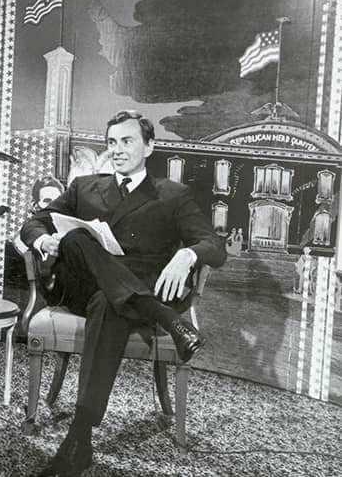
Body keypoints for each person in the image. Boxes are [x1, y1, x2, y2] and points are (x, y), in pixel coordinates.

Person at [20, 110, 227, 476]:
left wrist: (188, 254)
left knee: (109, 303)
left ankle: (78, 439)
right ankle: (165, 317)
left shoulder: (172, 195)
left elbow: (215, 246)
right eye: (112, 142)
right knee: (77, 237)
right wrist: (44, 240)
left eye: (127, 141)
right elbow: (33, 223)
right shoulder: (84, 187)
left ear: (149, 146)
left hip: (116, 299)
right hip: (81, 288)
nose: (117, 150)